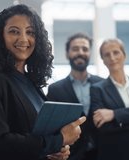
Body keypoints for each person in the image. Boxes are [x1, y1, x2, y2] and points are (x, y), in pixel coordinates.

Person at [0, 4, 86, 160]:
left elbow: (35, 139)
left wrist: (54, 152)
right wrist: (58, 140)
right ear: (1, 36)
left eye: (30, 32)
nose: (23, 39)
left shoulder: (32, 83)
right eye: (14, 31)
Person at [47, 32, 103, 160]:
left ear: (90, 53)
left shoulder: (103, 84)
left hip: (104, 153)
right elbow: (51, 127)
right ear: (67, 54)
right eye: (75, 49)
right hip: (71, 155)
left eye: (85, 49)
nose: (80, 52)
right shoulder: (55, 90)